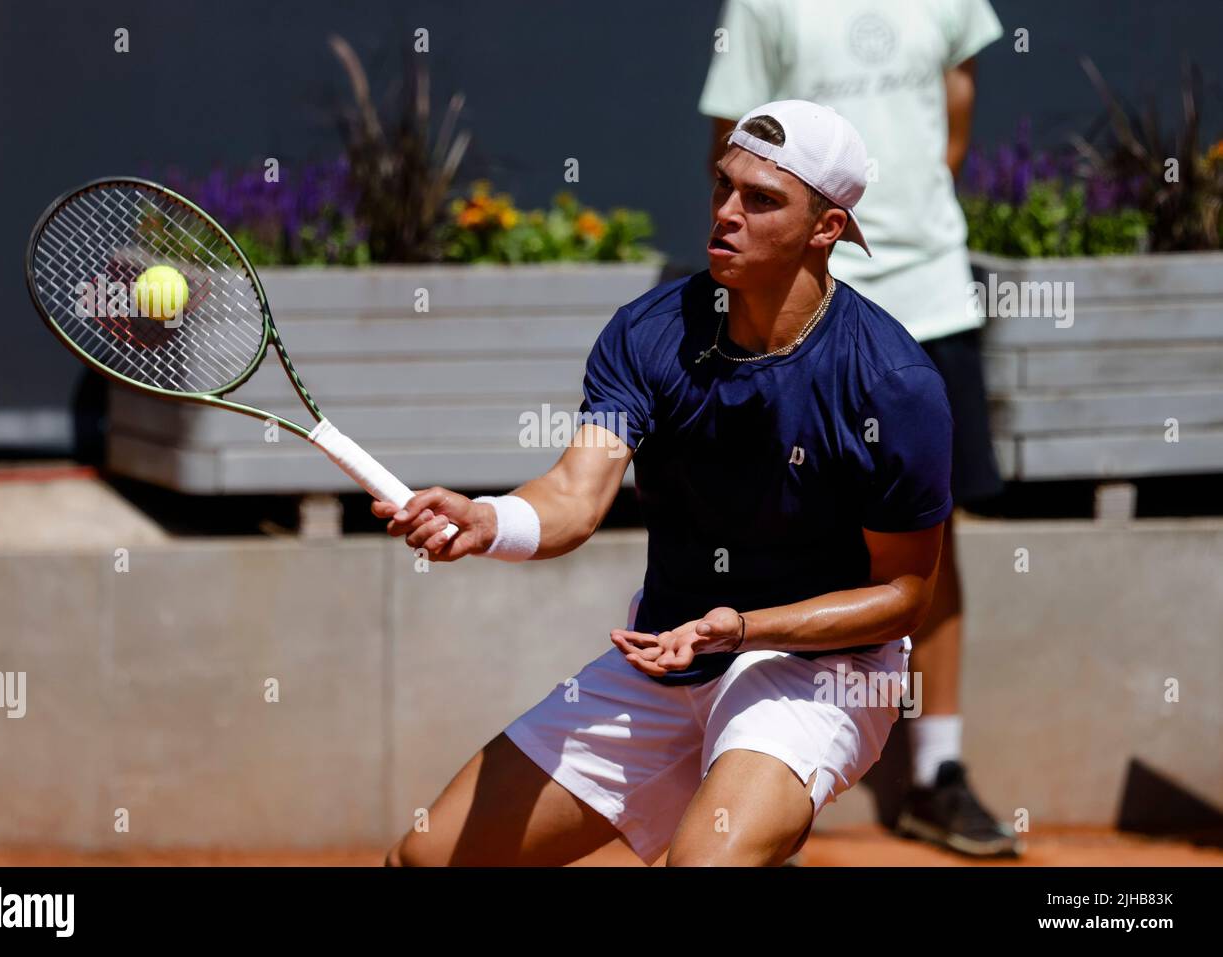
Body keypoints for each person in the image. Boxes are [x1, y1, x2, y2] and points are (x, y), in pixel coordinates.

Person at [380, 100, 952, 867]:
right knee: (425, 859)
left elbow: (907, 594)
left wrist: (746, 628)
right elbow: (576, 497)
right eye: (723, 187)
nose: (725, 214)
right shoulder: (649, 332)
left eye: (761, 200)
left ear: (827, 229)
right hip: (666, 649)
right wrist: (491, 519)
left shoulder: (893, 382)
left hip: (826, 671)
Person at [699, 0, 1020, 857]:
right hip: (803, 304)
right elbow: (735, 141)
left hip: (931, 292)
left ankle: (937, 774)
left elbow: (955, 109)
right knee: (768, 519)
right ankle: (765, 789)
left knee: (932, 536)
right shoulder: (760, 5)